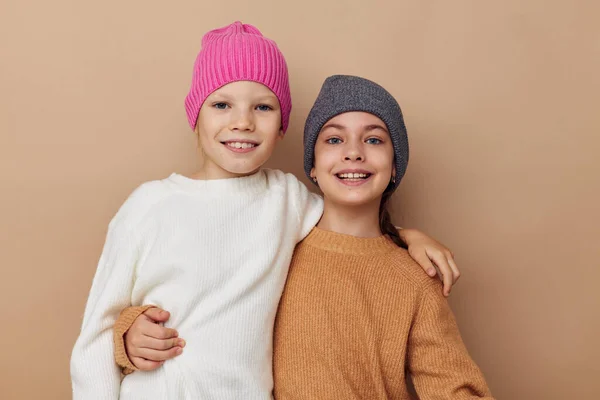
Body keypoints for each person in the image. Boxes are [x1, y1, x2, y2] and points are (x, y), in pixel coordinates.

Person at [70, 22, 459, 400]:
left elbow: (352, 215)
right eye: (221, 104)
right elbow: (98, 334)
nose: (242, 122)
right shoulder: (148, 206)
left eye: (263, 107)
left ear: (282, 126)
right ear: (196, 116)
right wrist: (127, 335)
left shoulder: (285, 199)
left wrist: (406, 235)